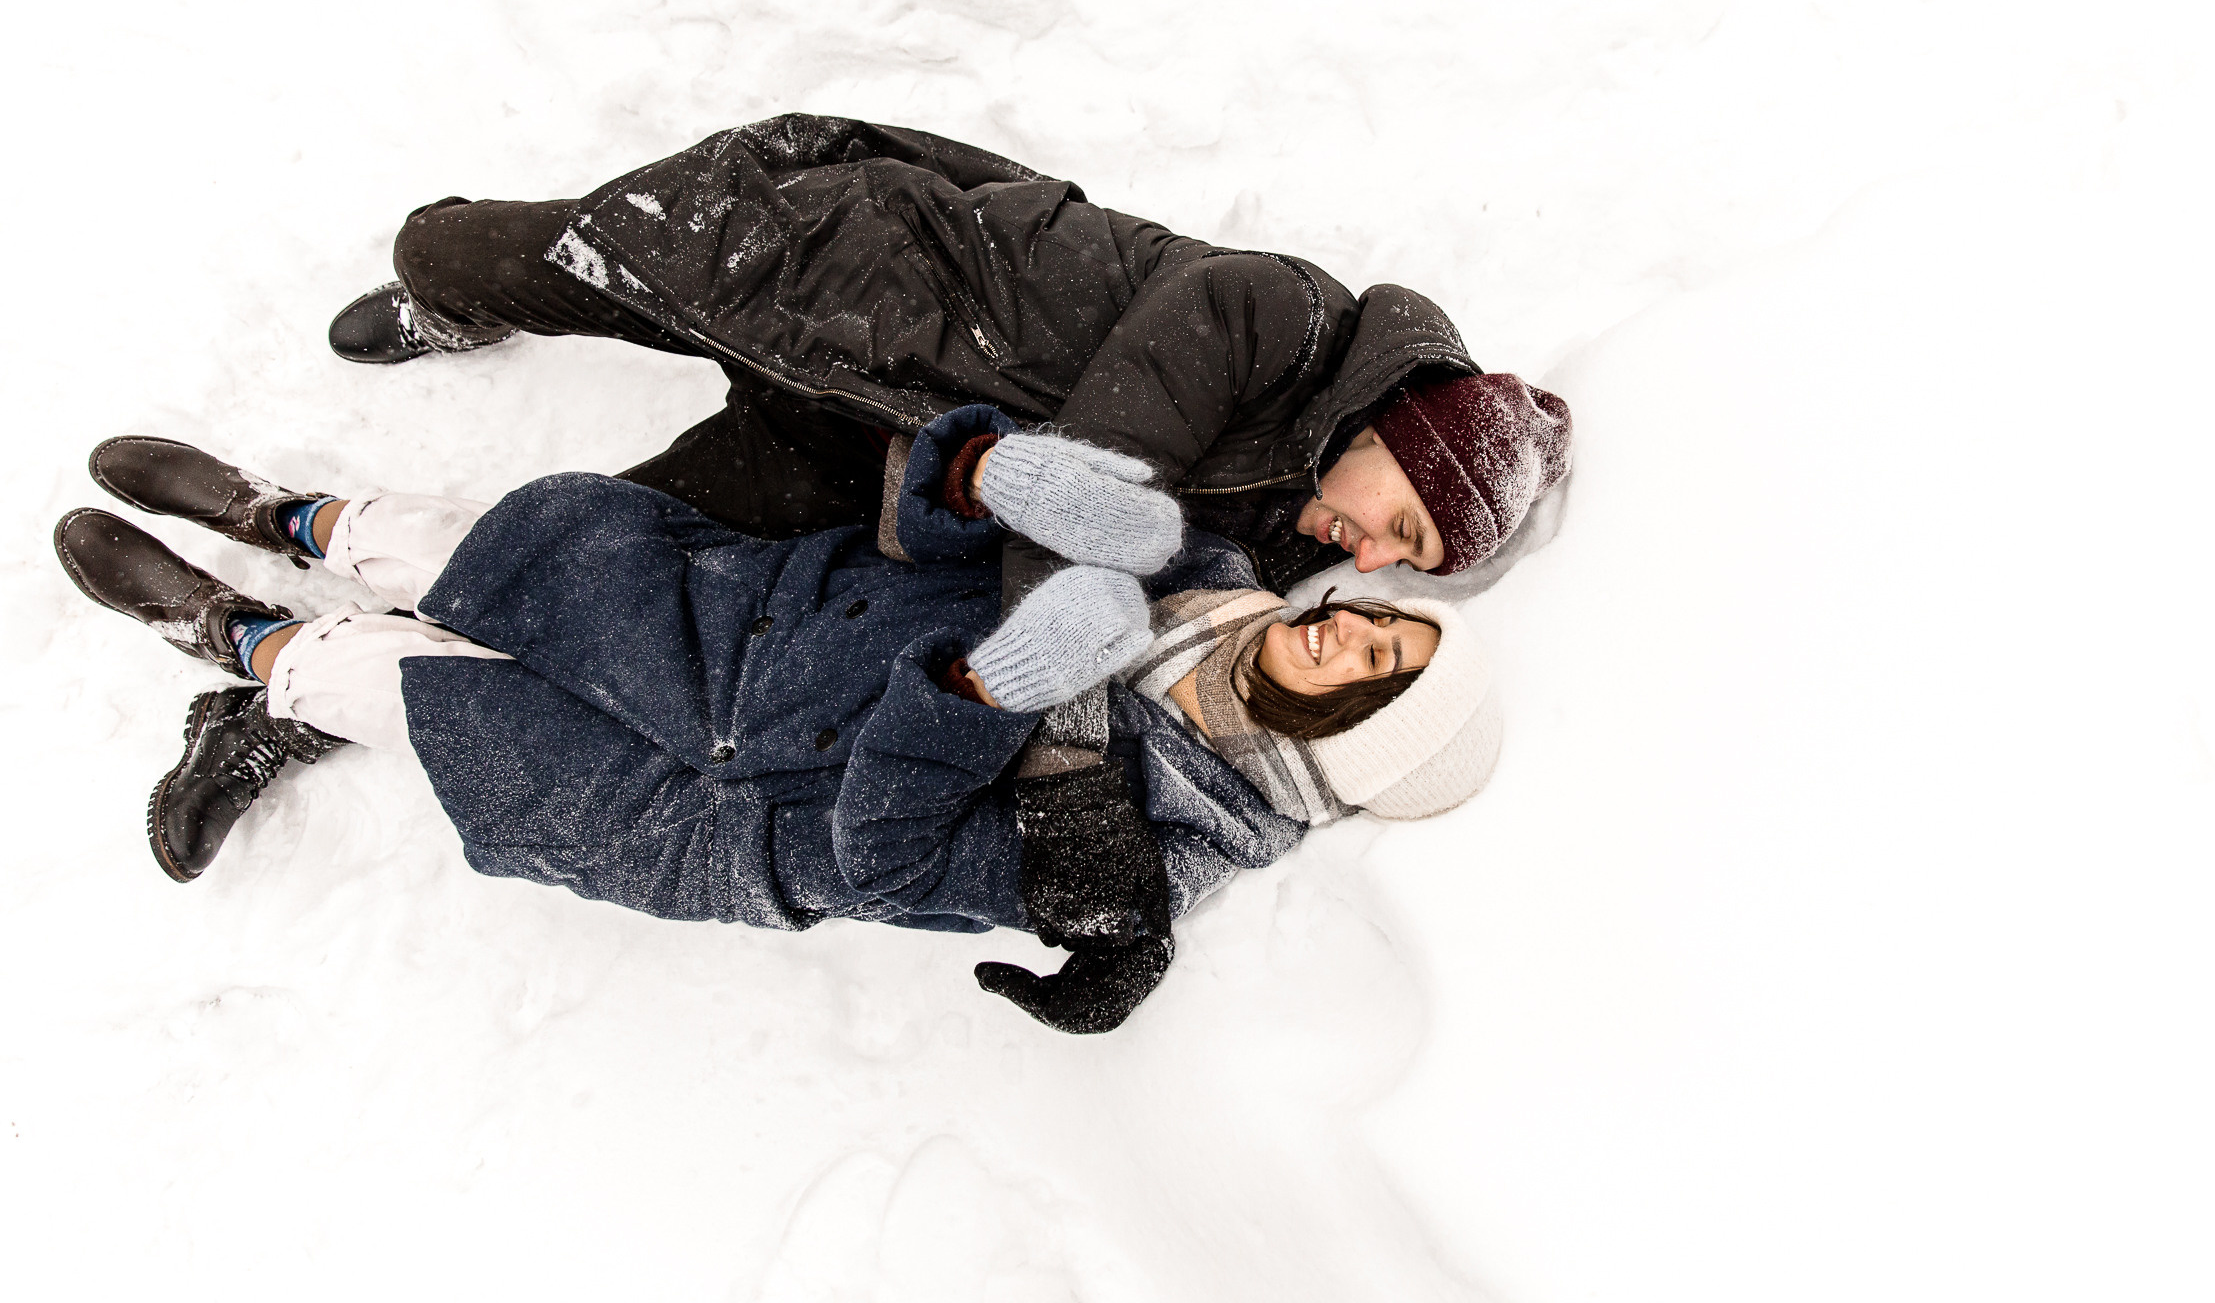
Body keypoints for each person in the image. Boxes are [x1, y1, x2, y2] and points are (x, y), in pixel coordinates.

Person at [55, 415, 1501, 1034]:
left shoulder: (1154, 857)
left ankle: (235, 639)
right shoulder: (1192, 568)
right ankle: (283, 515)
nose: (1349, 626)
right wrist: (979, 476)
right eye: (1383, 617)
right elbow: (941, 523)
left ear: (1348, 737)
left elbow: (889, 860)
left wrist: (994, 697)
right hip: (763, 631)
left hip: (720, 826)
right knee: (485, 547)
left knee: (416, 703)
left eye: (1375, 663)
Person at [323, 113, 1575, 615]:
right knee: (483, 253)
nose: (1371, 557)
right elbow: (1084, 490)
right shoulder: (1277, 312)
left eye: (1403, 563)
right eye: (1401, 527)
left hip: (869, 450)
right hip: (847, 286)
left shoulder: (1294, 529)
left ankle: (359, 623)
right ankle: (449, 294)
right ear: (1395, 433)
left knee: (602, 549)